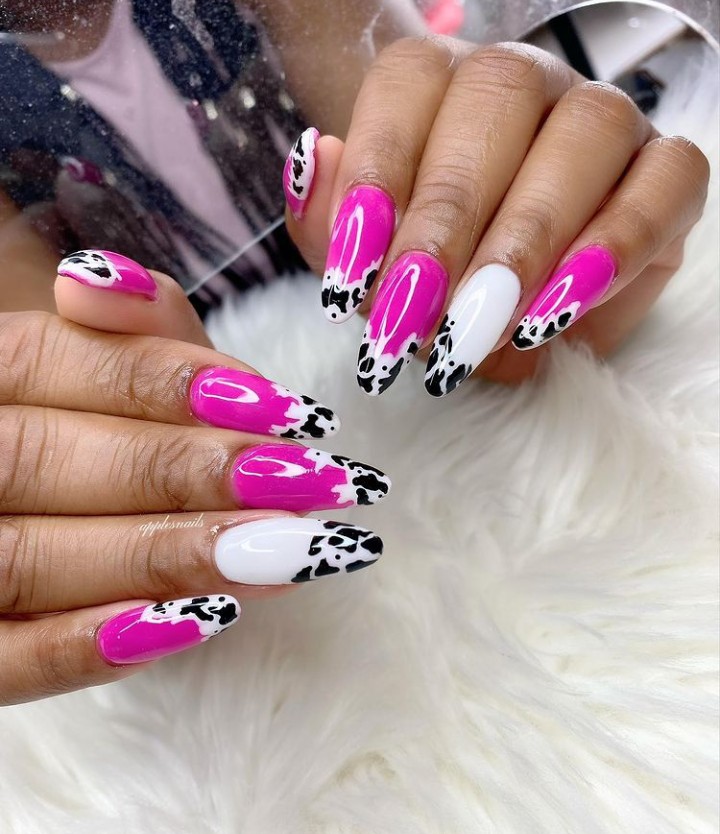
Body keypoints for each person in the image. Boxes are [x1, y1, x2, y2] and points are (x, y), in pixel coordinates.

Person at [0, 0, 710, 705]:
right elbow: (71, 415)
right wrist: (95, 443)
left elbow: (406, 162)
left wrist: (491, 191)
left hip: (490, 493)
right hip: (288, 661)